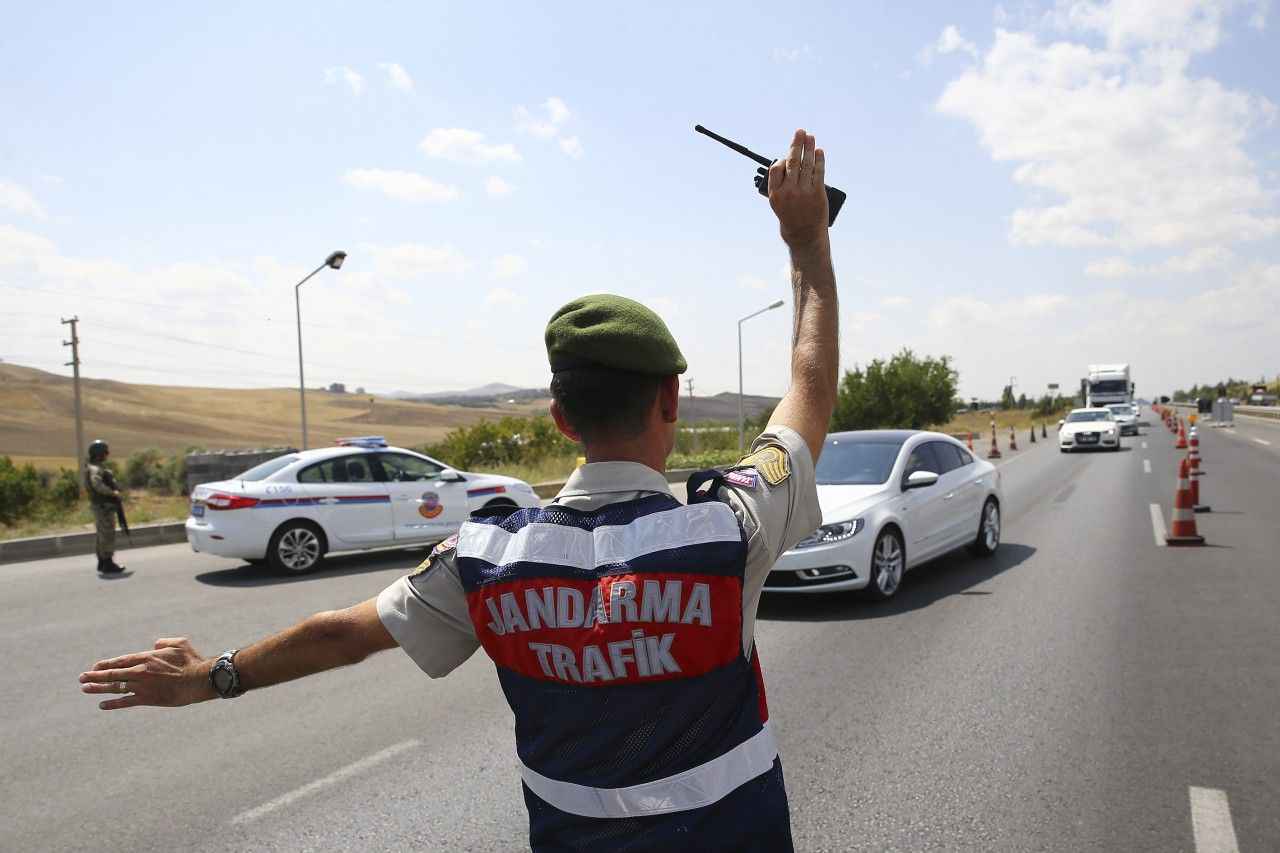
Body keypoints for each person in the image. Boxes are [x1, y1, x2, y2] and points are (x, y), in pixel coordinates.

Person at [79, 128, 839, 851]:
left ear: (560, 416)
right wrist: (805, 240)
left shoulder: (483, 556)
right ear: (671, 400)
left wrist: (208, 675)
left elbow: (341, 633)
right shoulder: (728, 528)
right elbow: (807, 384)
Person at [85, 439, 127, 575]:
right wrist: (112, 492)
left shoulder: (93, 467)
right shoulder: (95, 469)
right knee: (107, 534)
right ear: (99, 454)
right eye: (105, 452)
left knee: (102, 535)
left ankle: (102, 563)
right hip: (103, 507)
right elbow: (97, 485)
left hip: (101, 506)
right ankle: (108, 563)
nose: (107, 454)